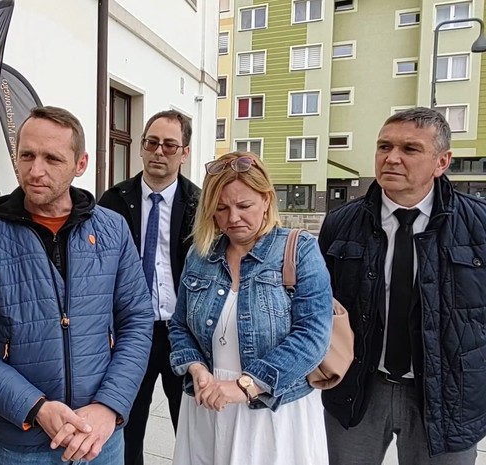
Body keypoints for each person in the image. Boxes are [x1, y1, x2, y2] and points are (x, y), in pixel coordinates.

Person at [0, 105, 153, 464]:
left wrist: (109, 405)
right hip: (21, 440)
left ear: (80, 164)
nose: (35, 170)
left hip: (99, 438)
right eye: (27, 155)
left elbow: (136, 321)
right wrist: (35, 407)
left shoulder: (113, 230)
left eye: (52, 159)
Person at [319, 107, 486, 464]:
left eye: (410, 149)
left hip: (448, 397)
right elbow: (319, 306)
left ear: (442, 162)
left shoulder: (478, 225)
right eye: (384, 146)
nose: (391, 158)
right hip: (358, 391)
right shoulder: (341, 223)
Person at [169, 152, 333, 465]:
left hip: (274, 411)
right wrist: (196, 368)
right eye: (221, 208)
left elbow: (313, 336)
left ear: (267, 200)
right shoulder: (200, 255)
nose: (233, 218)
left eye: (244, 206)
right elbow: (179, 325)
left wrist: (248, 384)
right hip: (208, 407)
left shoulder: (299, 249)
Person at [98, 109, 200, 465]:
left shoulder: (200, 205)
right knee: (126, 425)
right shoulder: (112, 202)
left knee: (190, 427)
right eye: (151, 142)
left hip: (182, 333)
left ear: (184, 152)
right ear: (141, 146)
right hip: (130, 332)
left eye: (170, 145)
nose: (159, 151)